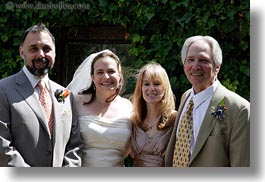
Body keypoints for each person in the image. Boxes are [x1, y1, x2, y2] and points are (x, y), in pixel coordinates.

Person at [0, 23, 83, 167]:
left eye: (46, 49)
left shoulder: (64, 94)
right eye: (33, 49)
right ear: (21, 52)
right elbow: (2, 146)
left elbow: (74, 145)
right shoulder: (3, 89)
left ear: (55, 53)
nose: (41, 54)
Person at [165, 35, 250, 167]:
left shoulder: (239, 109)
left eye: (203, 60)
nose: (195, 66)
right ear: (184, 65)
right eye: (190, 60)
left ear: (217, 67)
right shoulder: (186, 97)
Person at [67, 49, 132, 167]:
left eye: (111, 71)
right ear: (92, 76)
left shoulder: (128, 106)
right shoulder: (76, 102)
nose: (106, 76)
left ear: (119, 75)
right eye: (100, 72)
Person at [129, 62, 177, 167]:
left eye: (156, 84)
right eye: (146, 84)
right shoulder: (133, 120)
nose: (151, 88)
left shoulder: (175, 119)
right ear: (140, 89)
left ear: (165, 88)